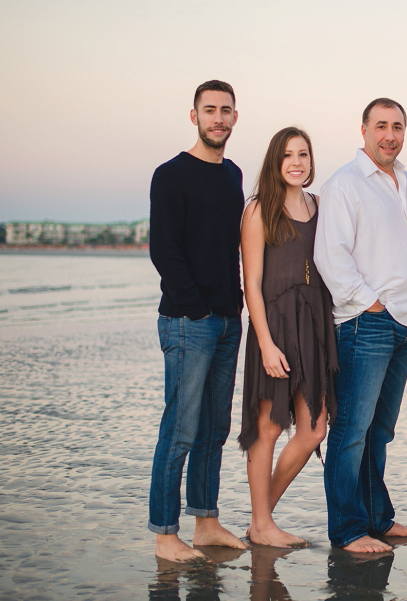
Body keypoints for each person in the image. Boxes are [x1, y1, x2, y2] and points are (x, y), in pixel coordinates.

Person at [314, 98, 407, 552]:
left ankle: (378, 517)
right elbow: (330, 255)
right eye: (381, 126)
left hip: (403, 325)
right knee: (351, 431)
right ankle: (348, 530)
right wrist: (370, 304)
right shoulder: (345, 183)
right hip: (366, 324)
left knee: (380, 431)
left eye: (398, 126)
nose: (390, 135)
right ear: (363, 131)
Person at [148, 80, 248, 562]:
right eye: (209, 110)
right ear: (194, 116)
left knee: (215, 429)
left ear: (235, 117)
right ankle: (166, 534)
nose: (218, 119)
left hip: (230, 321)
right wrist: (198, 308)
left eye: (226, 111)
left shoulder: (234, 174)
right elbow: (163, 250)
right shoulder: (170, 175)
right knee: (181, 429)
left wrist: (235, 306)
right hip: (190, 322)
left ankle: (206, 523)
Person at [238, 127, 338, 547]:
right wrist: (265, 343)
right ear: (275, 162)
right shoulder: (259, 209)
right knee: (269, 427)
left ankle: (261, 519)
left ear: (311, 161)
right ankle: (262, 524)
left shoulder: (321, 205)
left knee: (314, 429)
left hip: (315, 324)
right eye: (288, 155)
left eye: (303, 154)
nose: (297, 162)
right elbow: (251, 283)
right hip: (275, 325)